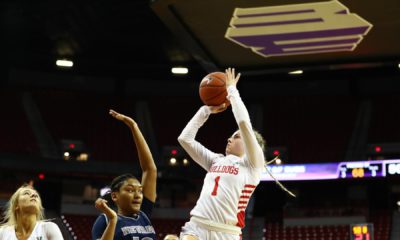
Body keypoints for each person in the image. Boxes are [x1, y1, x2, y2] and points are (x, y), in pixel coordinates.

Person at [178, 68, 291, 240]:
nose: (229, 140)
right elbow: (185, 139)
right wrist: (205, 111)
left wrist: (232, 91)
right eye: (230, 137)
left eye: (236, 137)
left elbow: (244, 123)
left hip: (226, 233)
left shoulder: (253, 165)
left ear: (252, 144)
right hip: (197, 226)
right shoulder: (215, 160)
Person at [92, 110, 157, 240]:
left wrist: (134, 126)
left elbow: (150, 170)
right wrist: (112, 219)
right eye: (130, 190)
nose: (138, 195)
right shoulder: (104, 220)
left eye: (140, 191)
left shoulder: (143, 213)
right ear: (115, 196)